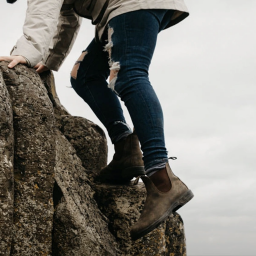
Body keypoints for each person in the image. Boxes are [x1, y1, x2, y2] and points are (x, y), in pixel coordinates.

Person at [0, 0, 193, 240]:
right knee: (84, 75)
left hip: (130, 5)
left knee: (130, 74)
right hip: (120, 10)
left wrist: (26, 52)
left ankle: (162, 179)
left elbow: (44, 6)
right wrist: (50, 60)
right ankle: (127, 151)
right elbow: (67, 19)